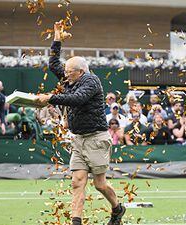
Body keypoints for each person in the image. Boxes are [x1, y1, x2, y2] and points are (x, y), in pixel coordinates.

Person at [35, 22, 125, 225]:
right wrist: (57, 36)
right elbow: (53, 63)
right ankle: (76, 222)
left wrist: (50, 97)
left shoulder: (91, 82)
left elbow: (76, 99)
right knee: (77, 182)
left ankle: (117, 209)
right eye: (65, 72)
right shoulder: (70, 78)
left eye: (69, 72)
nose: (64, 75)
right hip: (79, 139)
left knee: (100, 185)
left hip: (96, 138)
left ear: (81, 72)